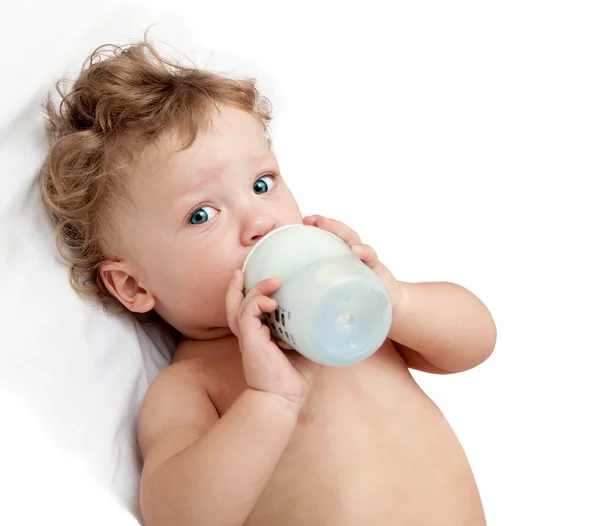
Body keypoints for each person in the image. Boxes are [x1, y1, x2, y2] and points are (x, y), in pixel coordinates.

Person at [41, 36, 497, 526]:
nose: (259, 220)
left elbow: (476, 343)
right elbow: (179, 516)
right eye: (201, 214)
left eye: (262, 184)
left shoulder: (352, 308)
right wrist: (270, 401)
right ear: (134, 287)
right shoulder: (194, 385)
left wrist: (399, 300)